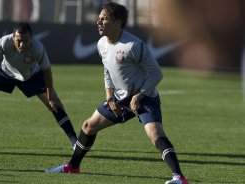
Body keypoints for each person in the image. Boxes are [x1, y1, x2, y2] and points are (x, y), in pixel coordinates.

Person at [45, 2, 189, 184]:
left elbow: (156, 73)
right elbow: (107, 71)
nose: (99, 22)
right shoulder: (101, 44)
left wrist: (139, 96)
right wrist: (109, 96)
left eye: (104, 19)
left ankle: (179, 177)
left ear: (118, 22)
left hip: (145, 97)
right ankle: (73, 166)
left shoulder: (133, 45)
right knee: (89, 126)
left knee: (155, 134)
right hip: (120, 98)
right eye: (99, 19)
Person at [0, 23, 77, 149]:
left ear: (31, 38)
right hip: (5, 72)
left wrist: (51, 96)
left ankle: (75, 142)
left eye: (26, 41)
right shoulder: (4, 42)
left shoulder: (37, 47)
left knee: (54, 105)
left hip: (31, 76)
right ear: (13, 38)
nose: (22, 44)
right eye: (19, 41)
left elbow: (47, 71)